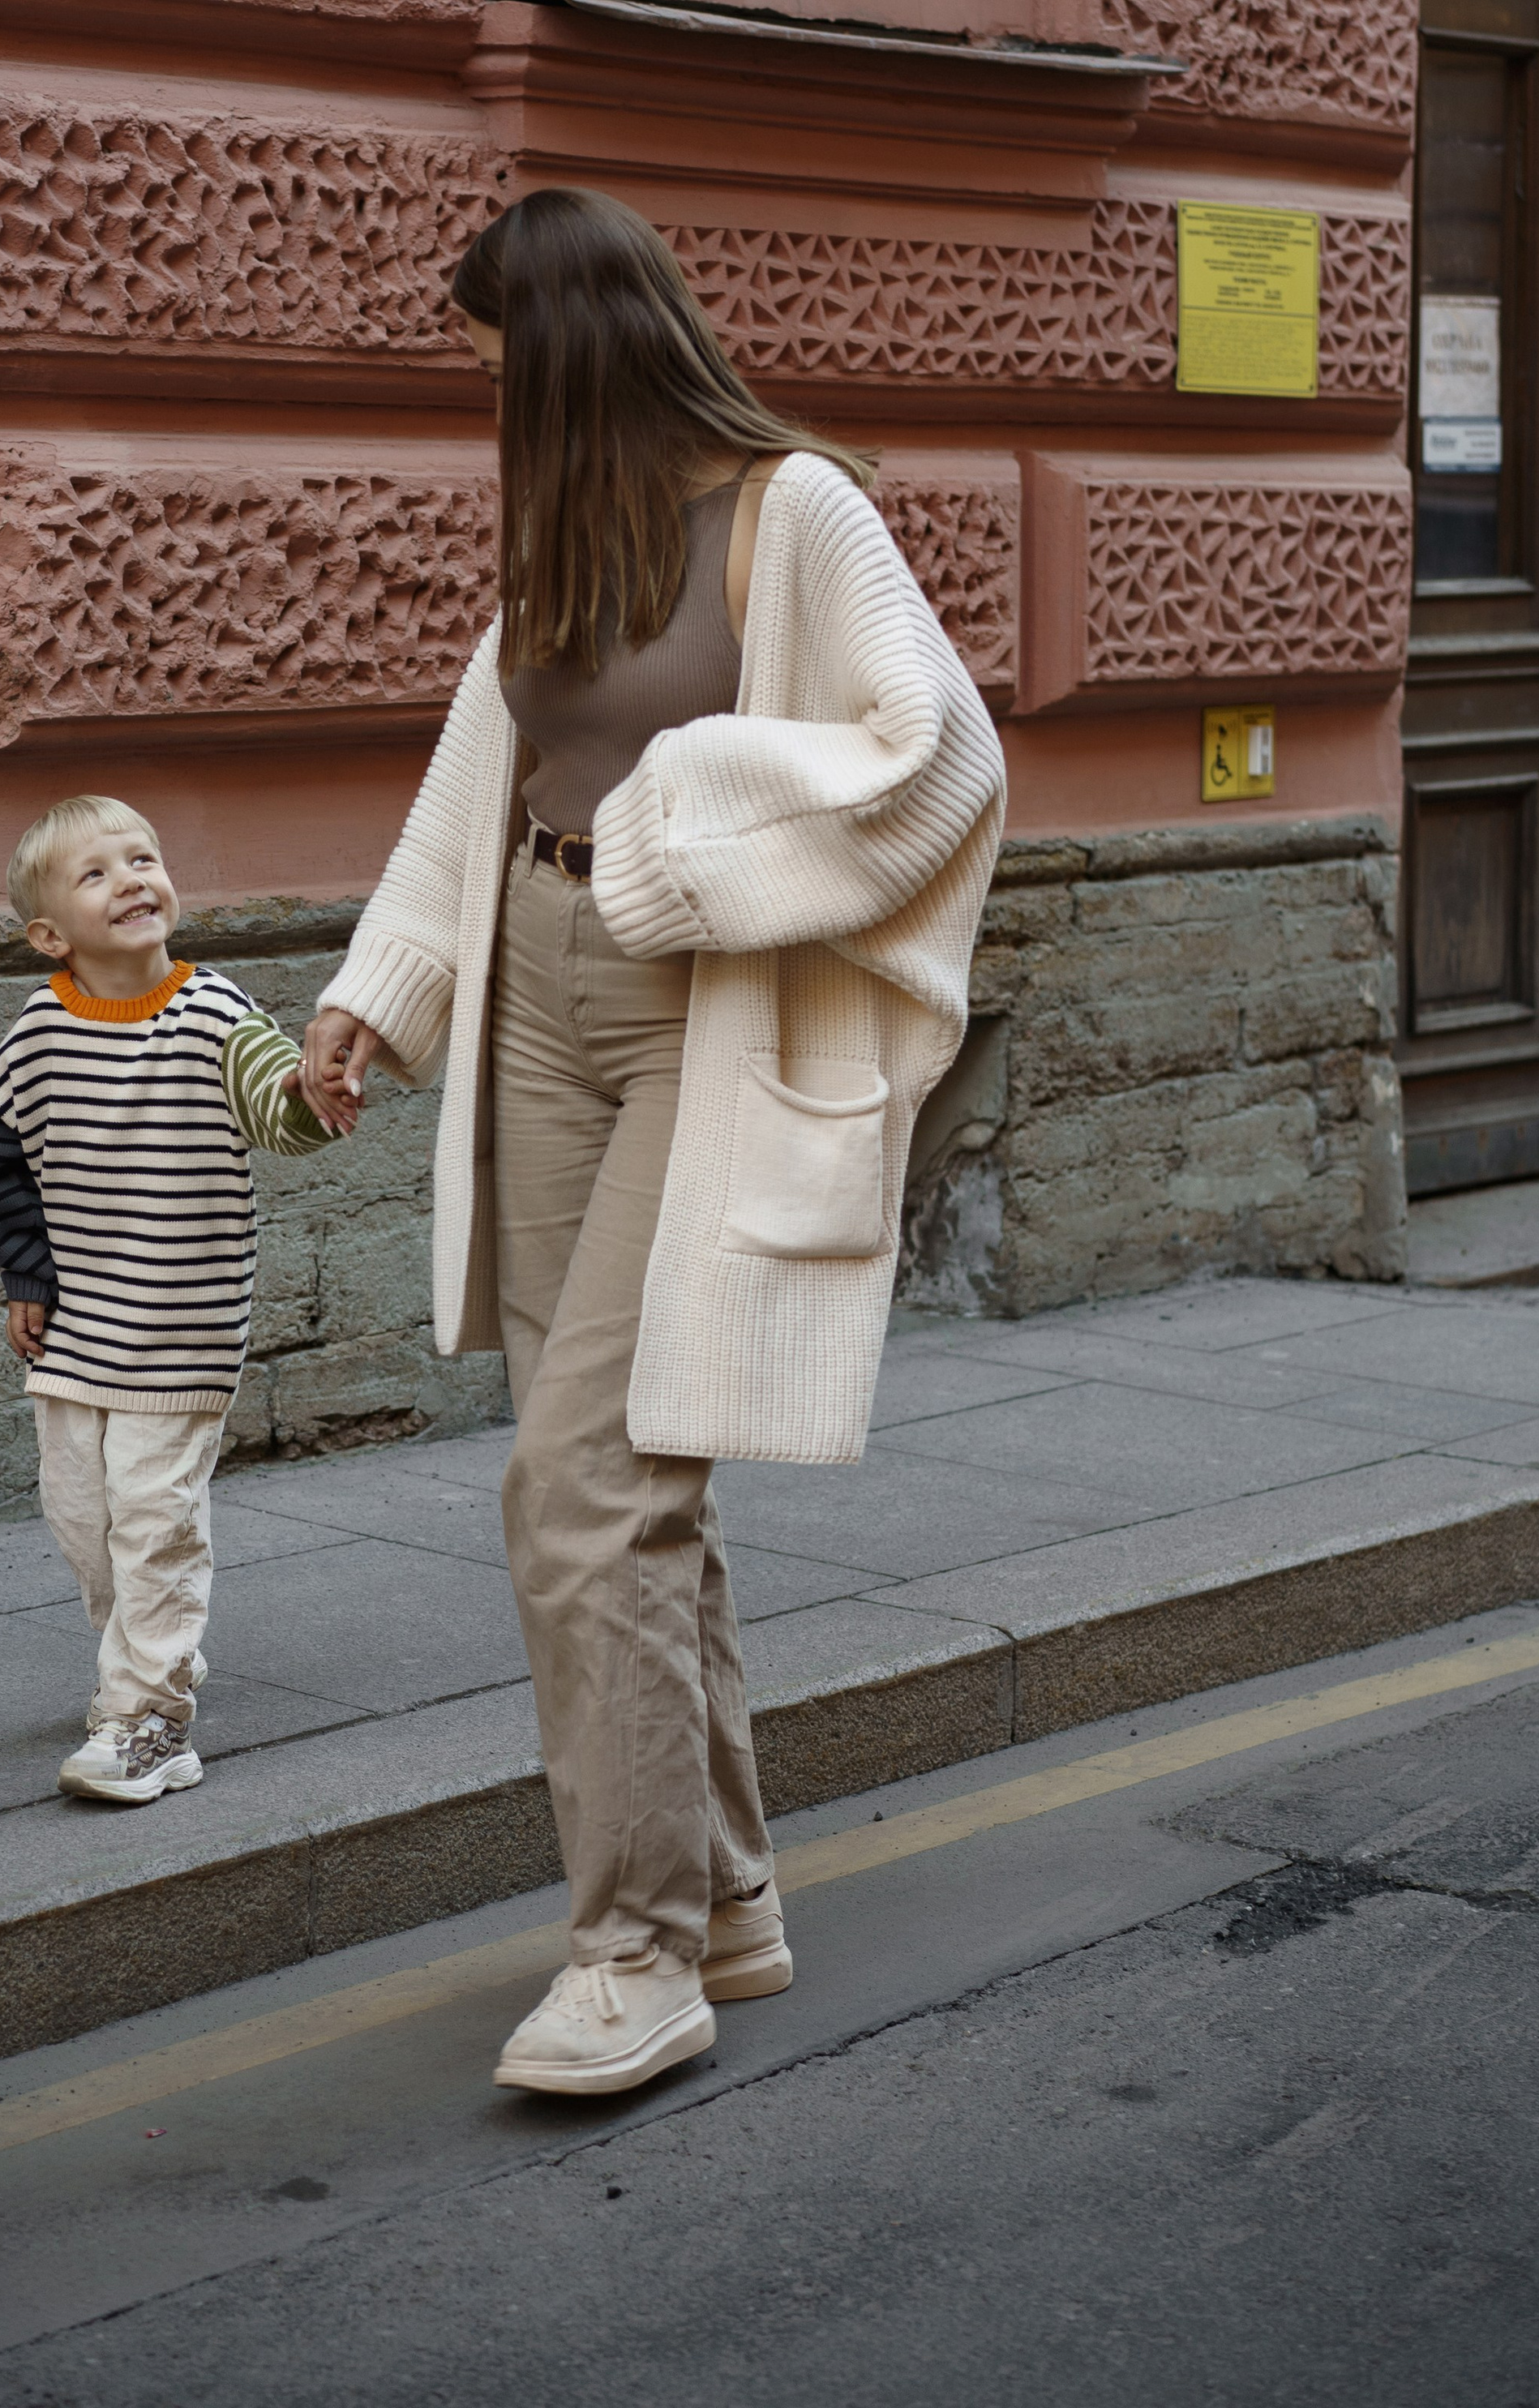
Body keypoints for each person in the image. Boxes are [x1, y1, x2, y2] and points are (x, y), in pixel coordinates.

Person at [305, 187, 1007, 2097]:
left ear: (566, 354)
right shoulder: (563, 531)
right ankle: (724, 1897)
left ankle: (628, 1955)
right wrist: (388, 985)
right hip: (530, 995)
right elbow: (488, 769)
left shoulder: (796, 513)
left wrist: (692, 833)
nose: (486, 413)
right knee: (618, 1483)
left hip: (692, 1000)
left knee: (583, 1482)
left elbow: (938, 753)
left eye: (494, 377)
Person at [0, 795, 332, 1805]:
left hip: (183, 1324)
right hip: (78, 1323)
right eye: (97, 873)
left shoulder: (213, 1011)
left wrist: (312, 1090)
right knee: (82, 1515)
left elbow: (275, 1108)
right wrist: (25, 1273)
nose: (133, 878)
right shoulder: (38, 1033)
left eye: (144, 858)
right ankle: (146, 1641)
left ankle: (148, 1720)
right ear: (48, 934)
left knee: (154, 1518)